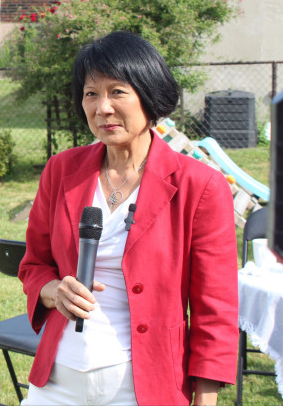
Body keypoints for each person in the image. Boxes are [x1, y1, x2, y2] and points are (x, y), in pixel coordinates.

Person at [18, 31, 238, 405]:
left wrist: (205, 400)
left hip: (143, 386)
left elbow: (214, 312)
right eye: (91, 93)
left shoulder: (200, 186)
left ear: (149, 96)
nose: (102, 108)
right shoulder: (61, 171)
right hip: (56, 382)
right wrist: (54, 291)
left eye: (117, 91)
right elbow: (34, 264)